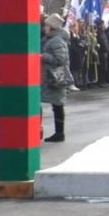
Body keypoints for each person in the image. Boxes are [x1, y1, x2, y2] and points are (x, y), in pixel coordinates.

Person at [41, 14, 70, 142]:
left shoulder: (56, 40)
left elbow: (60, 59)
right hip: (50, 76)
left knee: (57, 105)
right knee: (56, 105)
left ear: (52, 27)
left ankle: (59, 133)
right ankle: (59, 133)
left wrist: (43, 56)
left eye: (46, 25)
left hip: (55, 77)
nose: (44, 27)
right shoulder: (51, 38)